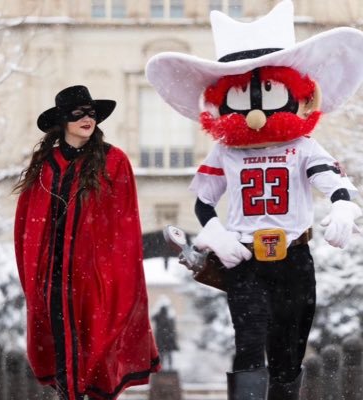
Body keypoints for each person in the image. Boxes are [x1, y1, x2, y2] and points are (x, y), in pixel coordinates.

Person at [145, 1, 363, 399]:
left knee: (288, 349)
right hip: (245, 259)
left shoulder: (302, 146)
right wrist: (217, 234)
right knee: (248, 339)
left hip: (294, 256)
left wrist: (344, 206)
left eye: (270, 96)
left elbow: (332, 182)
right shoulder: (225, 152)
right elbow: (204, 202)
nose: (259, 114)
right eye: (246, 99)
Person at [13, 85, 160, 400]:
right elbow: (28, 224)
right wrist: (35, 276)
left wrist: (112, 271)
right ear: (63, 120)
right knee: (61, 349)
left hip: (93, 275)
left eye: (91, 112)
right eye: (77, 113)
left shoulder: (113, 161)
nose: (86, 118)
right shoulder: (45, 165)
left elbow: (123, 223)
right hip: (53, 276)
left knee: (95, 345)